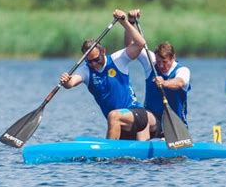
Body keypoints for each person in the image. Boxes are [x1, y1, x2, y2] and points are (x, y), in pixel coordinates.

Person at [60, 9, 157, 141]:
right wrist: (66, 81)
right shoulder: (86, 70)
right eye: (90, 61)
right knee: (121, 158)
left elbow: (140, 44)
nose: (94, 64)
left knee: (113, 116)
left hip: (136, 113)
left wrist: (125, 23)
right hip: (121, 125)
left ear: (103, 51)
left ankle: (107, 158)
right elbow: (71, 83)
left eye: (96, 59)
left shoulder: (118, 59)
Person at [125, 10, 191, 137]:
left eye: (164, 62)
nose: (160, 65)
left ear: (173, 58)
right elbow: (129, 46)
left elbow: (179, 82)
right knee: (135, 118)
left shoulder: (182, 70)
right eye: (158, 61)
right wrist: (130, 23)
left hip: (174, 127)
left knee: (144, 119)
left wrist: (164, 83)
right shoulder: (151, 62)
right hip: (152, 120)